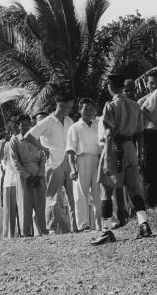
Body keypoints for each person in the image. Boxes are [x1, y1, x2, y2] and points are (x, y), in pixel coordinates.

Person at [92, 73, 152, 245]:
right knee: (134, 188)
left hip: (115, 148)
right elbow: (140, 132)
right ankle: (143, 224)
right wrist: (139, 152)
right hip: (130, 148)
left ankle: (106, 230)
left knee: (106, 190)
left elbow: (109, 133)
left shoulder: (110, 106)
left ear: (110, 86)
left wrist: (108, 157)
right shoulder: (134, 105)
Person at [25, 93, 77, 234]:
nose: (67, 109)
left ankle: (76, 227)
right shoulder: (47, 121)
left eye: (70, 107)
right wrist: (44, 149)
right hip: (54, 161)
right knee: (54, 197)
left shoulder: (69, 121)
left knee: (73, 197)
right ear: (58, 103)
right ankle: (53, 228)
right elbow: (28, 136)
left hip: (68, 160)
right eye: (65, 106)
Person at [66, 98, 102, 232]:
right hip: (81, 159)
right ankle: (83, 226)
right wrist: (73, 168)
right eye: (85, 109)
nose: (88, 111)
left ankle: (100, 224)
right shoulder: (74, 127)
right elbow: (70, 150)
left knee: (98, 193)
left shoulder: (96, 126)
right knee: (81, 194)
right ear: (80, 110)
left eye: (91, 109)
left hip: (96, 159)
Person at [10, 115, 47, 237]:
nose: (25, 127)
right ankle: (26, 233)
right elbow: (14, 162)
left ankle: (43, 230)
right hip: (24, 176)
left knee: (41, 203)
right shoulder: (14, 140)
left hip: (38, 175)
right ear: (18, 126)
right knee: (25, 204)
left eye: (27, 124)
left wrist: (40, 174)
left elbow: (43, 157)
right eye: (22, 124)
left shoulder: (36, 139)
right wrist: (27, 176)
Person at [138, 70, 157, 208]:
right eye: (150, 83)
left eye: (155, 82)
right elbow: (141, 121)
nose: (153, 85)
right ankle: (150, 202)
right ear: (147, 84)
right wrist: (156, 122)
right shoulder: (142, 101)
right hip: (149, 135)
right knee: (149, 170)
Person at [0, 128, 18, 239]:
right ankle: (9, 238)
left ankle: (24, 235)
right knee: (8, 214)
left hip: (23, 181)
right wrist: (5, 142)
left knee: (24, 213)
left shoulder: (24, 139)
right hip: (9, 182)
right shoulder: (3, 143)